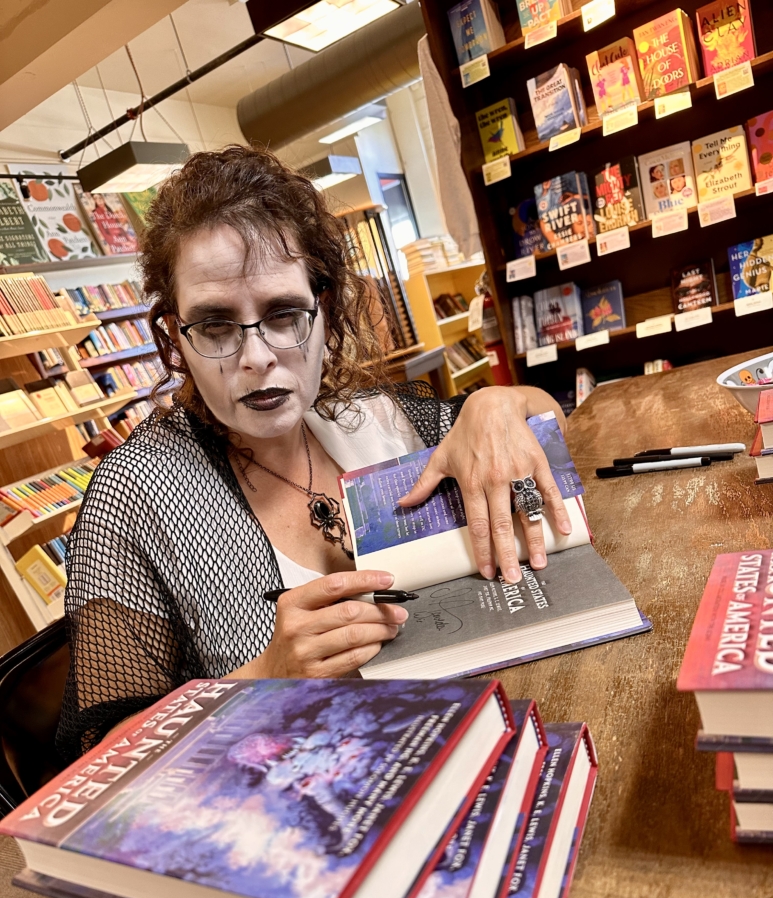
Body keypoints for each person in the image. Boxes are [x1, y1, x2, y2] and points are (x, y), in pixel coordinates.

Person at [57, 145, 571, 760]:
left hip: (485, 734)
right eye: (216, 325)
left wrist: (498, 406)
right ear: (176, 339)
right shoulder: (136, 498)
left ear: (322, 310)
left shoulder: (376, 421)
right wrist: (263, 680)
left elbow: (552, 428)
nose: (256, 357)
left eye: (283, 313)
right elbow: (101, 757)